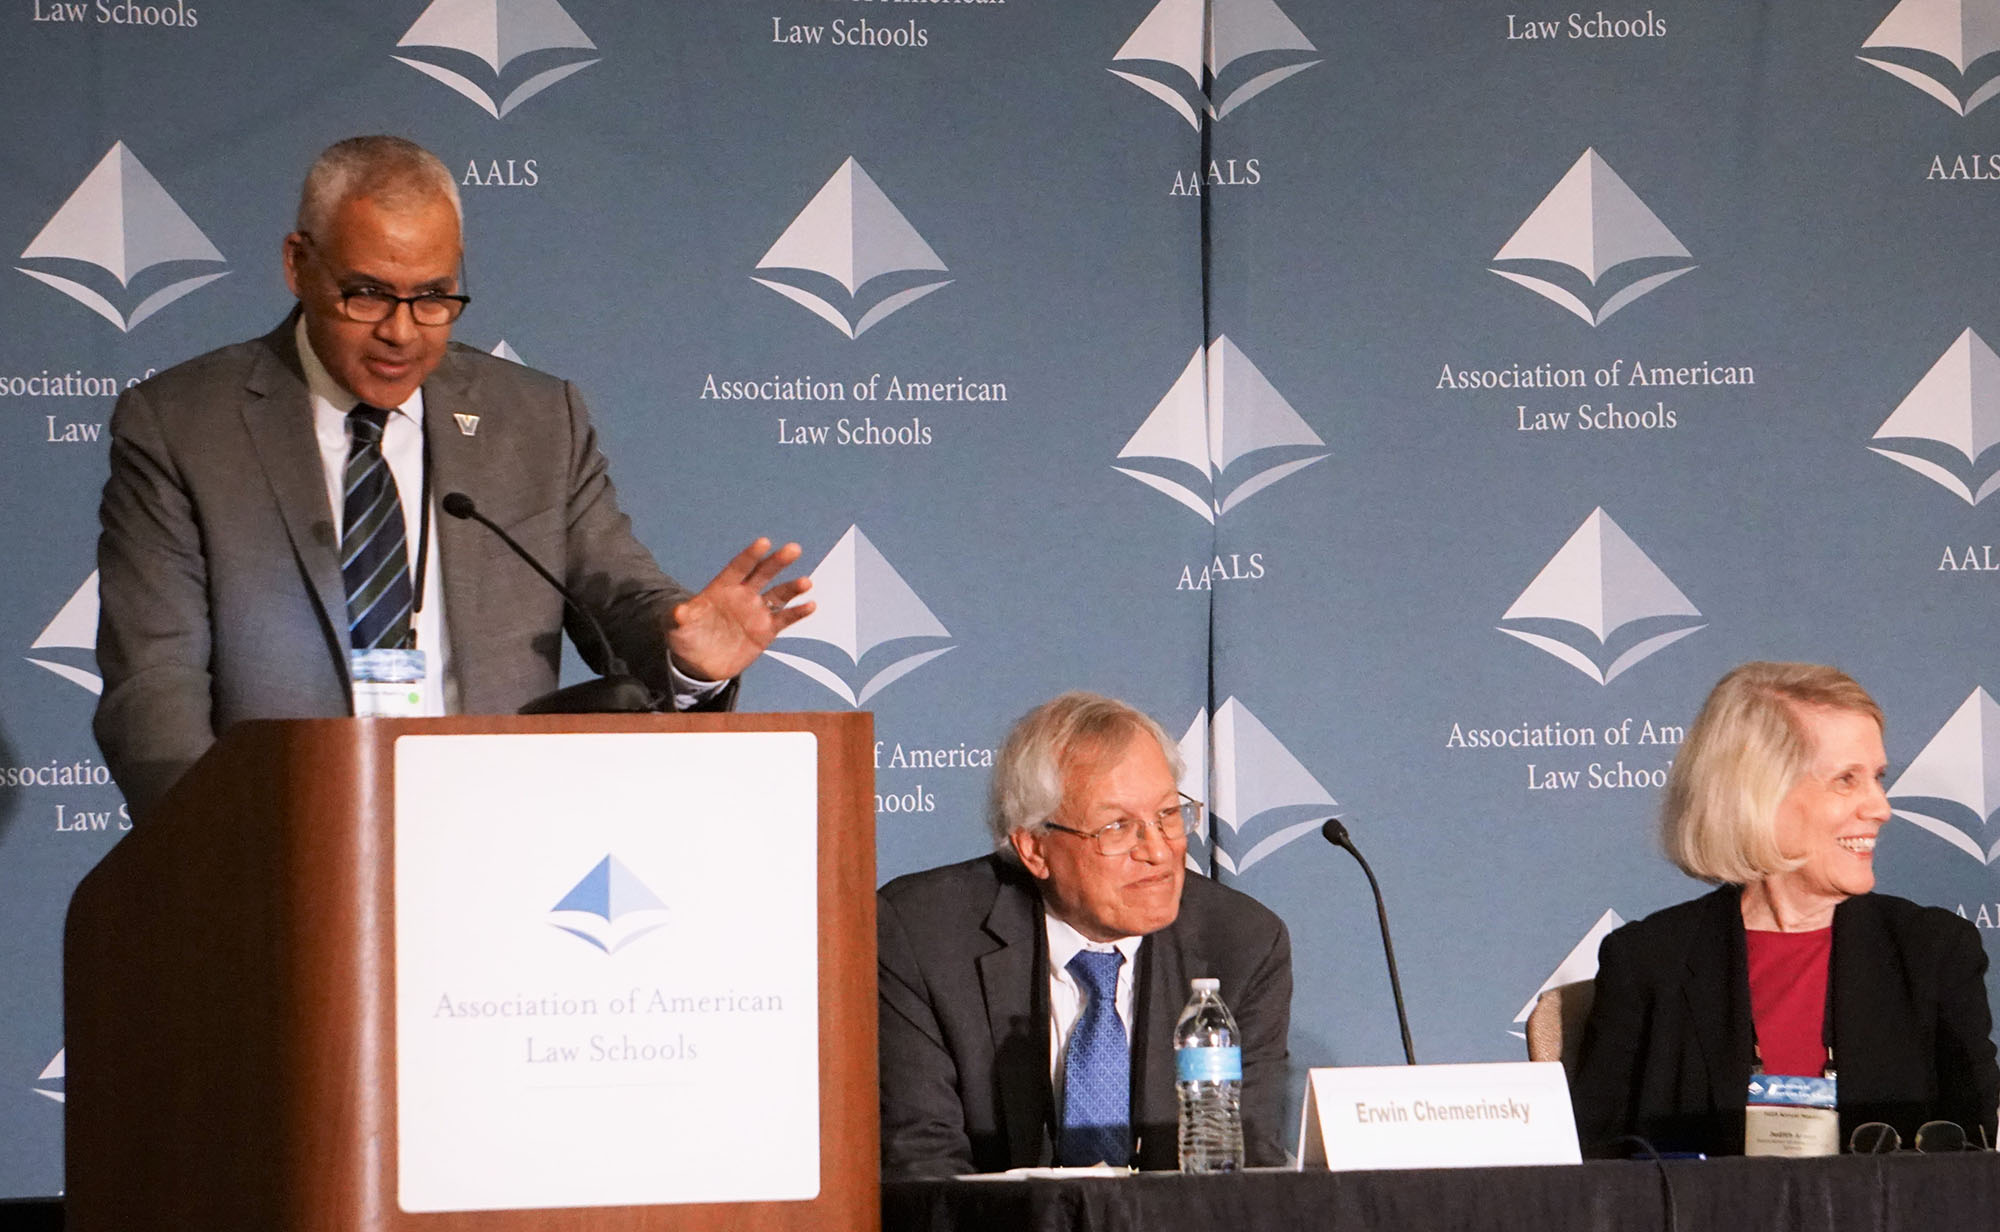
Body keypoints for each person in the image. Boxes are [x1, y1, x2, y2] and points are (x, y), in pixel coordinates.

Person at [93, 135, 813, 817]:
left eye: (434, 296)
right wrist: (211, 847)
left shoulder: (535, 420)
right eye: (367, 294)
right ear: (298, 264)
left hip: (500, 838)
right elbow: (156, 684)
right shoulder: (184, 426)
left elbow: (614, 597)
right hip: (278, 841)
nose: (402, 331)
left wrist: (686, 655)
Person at [1570, 662, 1999, 1156]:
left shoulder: (1933, 953)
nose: (1880, 807)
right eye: (1846, 780)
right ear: (1758, 794)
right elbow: (1596, 1174)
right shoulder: (1648, 962)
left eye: (1877, 778)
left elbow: (1973, 1167)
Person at [876, 691, 1292, 1177]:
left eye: (1168, 815)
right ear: (1034, 848)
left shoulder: (1242, 943)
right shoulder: (921, 934)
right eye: (1117, 827)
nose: (1158, 851)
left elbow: (1241, 1168)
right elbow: (923, 1168)